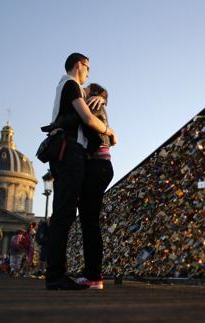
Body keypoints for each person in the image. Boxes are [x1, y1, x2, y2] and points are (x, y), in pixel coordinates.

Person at [45, 53, 116, 290]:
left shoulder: (67, 87)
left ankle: (65, 274)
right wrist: (110, 131)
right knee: (66, 214)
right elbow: (87, 118)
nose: (88, 74)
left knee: (67, 214)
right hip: (70, 153)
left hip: (73, 156)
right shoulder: (71, 84)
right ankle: (58, 275)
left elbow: (95, 96)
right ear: (80, 65)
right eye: (88, 68)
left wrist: (102, 96)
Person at [74, 83, 115, 290]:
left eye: (87, 89)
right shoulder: (99, 104)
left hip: (97, 166)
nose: (83, 90)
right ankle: (93, 274)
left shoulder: (92, 104)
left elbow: (91, 127)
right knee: (90, 222)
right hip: (103, 166)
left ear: (93, 93)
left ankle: (94, 276)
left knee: (90, 223)